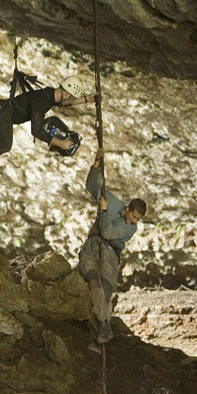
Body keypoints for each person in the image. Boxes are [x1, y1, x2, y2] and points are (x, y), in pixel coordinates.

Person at [78, 148, 147, 345]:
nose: (134, 221)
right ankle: (101, 323)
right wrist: (97, 162)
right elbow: (93, 186)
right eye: (133, 216)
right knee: (92, 277)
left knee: (106, 287)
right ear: (127, 209)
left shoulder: (130, 230)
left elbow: (108, 232)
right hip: (93, 246)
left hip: (109, 252)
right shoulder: (115, 204)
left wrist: (104, 211)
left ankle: (104, 323)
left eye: (138, 219)